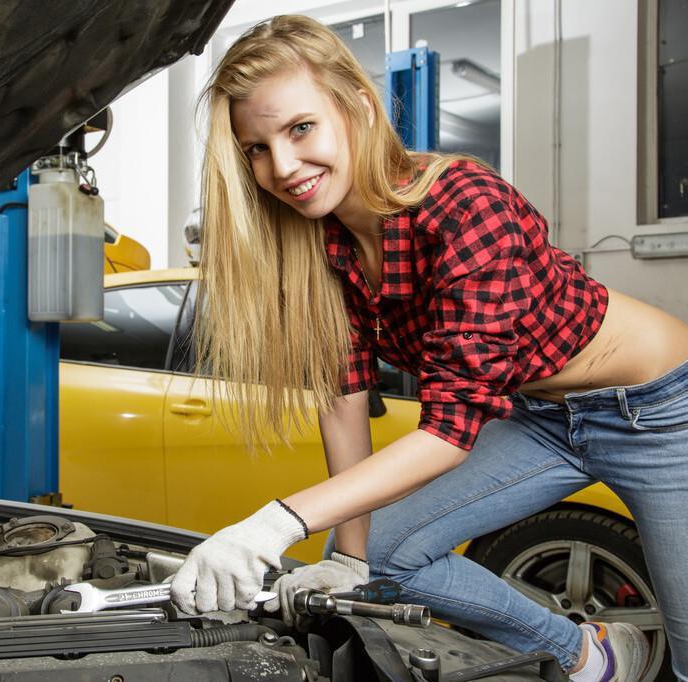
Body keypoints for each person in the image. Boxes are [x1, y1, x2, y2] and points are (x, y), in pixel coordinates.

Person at [169, 14, 688, 682]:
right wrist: (350, 558)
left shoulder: (463, 204)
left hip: (661, 410)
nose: (282, 166)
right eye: (256, 149)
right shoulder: (319, 248)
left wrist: (274, 524)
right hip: (541, 420)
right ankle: (588, 655)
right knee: (382, 557)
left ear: (356, 105)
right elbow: (343, 400)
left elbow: (448, 431)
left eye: (299, 129)